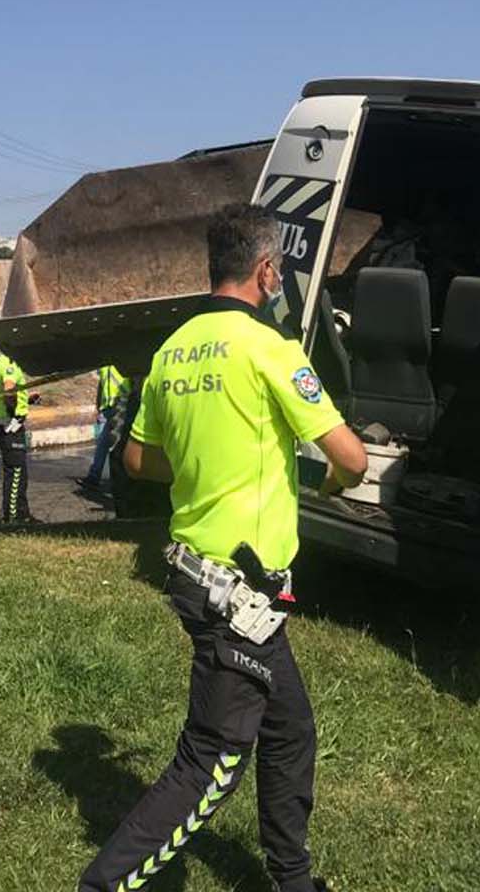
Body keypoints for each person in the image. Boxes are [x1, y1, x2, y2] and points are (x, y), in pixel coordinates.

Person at [78, 204, 368, 892]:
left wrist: (209, 458)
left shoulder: (172, 350)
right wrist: (325, 485)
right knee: (211, 757)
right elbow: (351, 458)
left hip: (196, 573)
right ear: (266, 270)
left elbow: (141, 460)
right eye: (280, 272)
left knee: (290, 728)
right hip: (238, 590)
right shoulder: (271, 348)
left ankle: (290, 878)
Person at [0, 348, 33, 524]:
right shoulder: (9, 363)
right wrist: (15, 414)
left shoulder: (3, 361)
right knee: (16, 473)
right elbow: (9, 389)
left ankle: (22, 514)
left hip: (6, 424)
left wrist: (27, 399)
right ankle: (13, 517)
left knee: (19, 473)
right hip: (10, 426)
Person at [78, 364, 130, 493]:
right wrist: (98, 405)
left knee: (113, 444)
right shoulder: (103, 363)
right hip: (108, 407)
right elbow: (102, 384)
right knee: (105, 443)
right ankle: (98, 478)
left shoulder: (122, 357)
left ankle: (103, 479)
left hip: (121, 403)